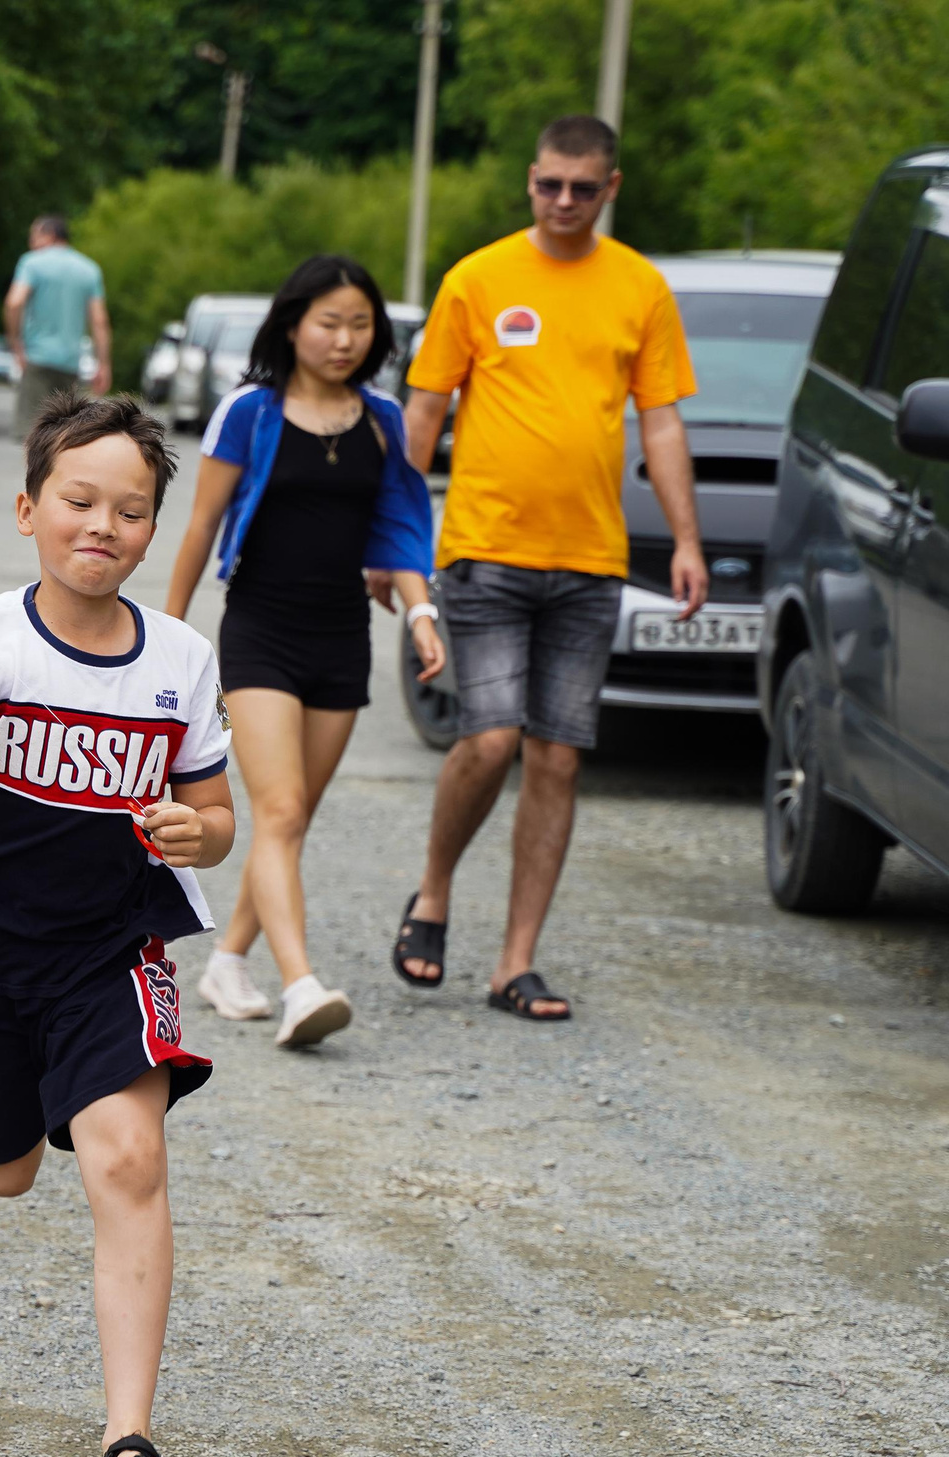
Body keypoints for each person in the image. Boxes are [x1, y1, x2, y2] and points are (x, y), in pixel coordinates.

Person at [0, 393, 234, 1457]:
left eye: (131, 511)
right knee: (8, 1167)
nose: (104, 526)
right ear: (29, 509)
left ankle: (129, 1442)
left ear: (150, 532)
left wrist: (200, 832)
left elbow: (216, 806)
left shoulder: (179, 659)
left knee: (127, 1160)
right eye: (79, 502)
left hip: (110, 947)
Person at [383, 113, 704, 1023]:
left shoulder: (639, 286)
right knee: (487, 740)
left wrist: (685, 540)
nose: (564, 201)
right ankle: (434, 892)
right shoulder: (478, 279)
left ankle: (515, 962)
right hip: (484, 548)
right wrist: (395, 539)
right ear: (530, 181)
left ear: (611, 188)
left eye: (583, 187)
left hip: (590, 561)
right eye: (549, 185)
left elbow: (665, 424)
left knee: (556, 759)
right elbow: (423, 412)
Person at [163, 254, 437, 1048]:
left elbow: (400, 530)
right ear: (292, 325)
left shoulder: (382, 420)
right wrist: (169, 638)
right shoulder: (249, 412)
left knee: (292, 818)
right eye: (329, 322)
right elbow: (200, 527)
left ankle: (228, 960)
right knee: (279, 809)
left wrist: (420, 614)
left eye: (360, 324)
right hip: (260, 630)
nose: (345, 339)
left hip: (342, 635)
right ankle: (301, 984)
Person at [4, 216, 111, 441]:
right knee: (64, 435)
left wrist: (15, 343)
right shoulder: (89, 269)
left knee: (32, 434)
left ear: (49, 235)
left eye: (34, 237)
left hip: (37, 359)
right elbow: (99, 321)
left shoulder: (32, 263)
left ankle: (34, 477)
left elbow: (14, 302)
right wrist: (103, 364)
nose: (31, 243)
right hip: (70, 364)